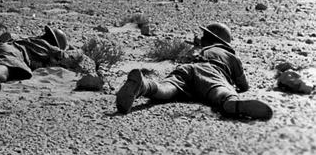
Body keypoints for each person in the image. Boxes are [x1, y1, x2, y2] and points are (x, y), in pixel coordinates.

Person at [115, 22, 273, 120]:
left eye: (204, 36)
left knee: (166, 89)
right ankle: (231, 103)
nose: (200, 38)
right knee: (220, 91)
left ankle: (144, 85)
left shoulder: (203, 50)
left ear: (210, 40)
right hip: (211, 71)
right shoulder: (230, 56)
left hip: (188, 69)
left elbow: (191, 57)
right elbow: (244, 85)